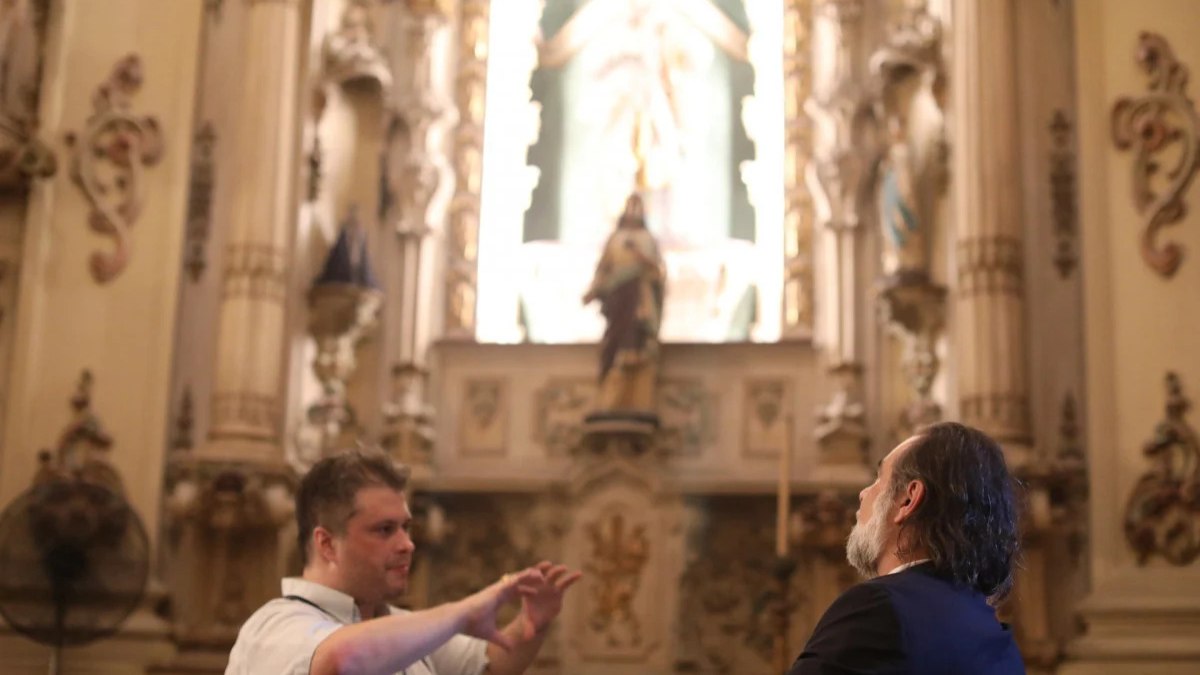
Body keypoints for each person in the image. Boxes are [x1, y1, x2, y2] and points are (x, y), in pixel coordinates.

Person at [226, 449, 581, 675]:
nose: (407, 544)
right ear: (327, 543)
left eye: (406, 527)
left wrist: (531, 622)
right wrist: (463, 612)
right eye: (384, 530)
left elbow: (488, 665)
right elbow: (339, 659)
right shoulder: (276, 625)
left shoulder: (396, 624)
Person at [788, 421, 1025, 674]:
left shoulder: (878, 608)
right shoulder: (993, 633)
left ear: (908, 499)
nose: (863, 493)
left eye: (879, 479)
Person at [582, 192, 666, 420]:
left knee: (636, 342)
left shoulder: (649, 240)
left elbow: (658, 271)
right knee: (614, 343)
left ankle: (634, 394)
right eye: (630, 205)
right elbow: (603, 269)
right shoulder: (614, 239)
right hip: (617, 300)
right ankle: (609, 389)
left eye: (637, 206)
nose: (633, 211)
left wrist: (640, 257)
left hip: (639, 298)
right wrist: (593, 290)